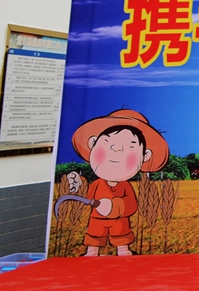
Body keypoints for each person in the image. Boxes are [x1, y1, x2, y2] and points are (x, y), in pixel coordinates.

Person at [69, 108, 170, 256]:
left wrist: (114, 206)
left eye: (130, 147)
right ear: (92, 144)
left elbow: (131, 205)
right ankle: (92, 252)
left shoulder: (125, 186)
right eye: (107, 143)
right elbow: (87, 194)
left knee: (121, 234)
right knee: (94, 234)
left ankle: (123, 250)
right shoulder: (98, 184)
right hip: (97, 218)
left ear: (145, 156)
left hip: (119, 220)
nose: (116, 150)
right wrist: (78, 184)